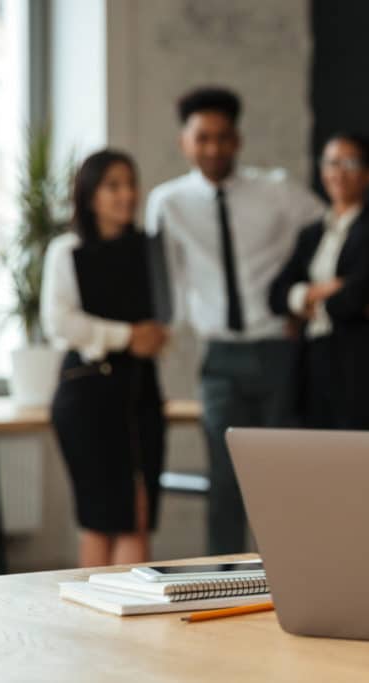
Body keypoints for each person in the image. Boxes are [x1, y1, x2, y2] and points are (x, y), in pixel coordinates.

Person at [145, 87, 325, 554]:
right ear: (185, 141)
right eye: (202, 138)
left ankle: (292, 581)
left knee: (281, 480)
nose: (213, 148)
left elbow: (327, 231)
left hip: (277, 350)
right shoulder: (168, 203)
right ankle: (221, 585)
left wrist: (302, 299)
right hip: (219, 358)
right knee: (223, 484)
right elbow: (162, 279)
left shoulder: (277, 191)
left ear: (238, 141)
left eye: (223, 138)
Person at [42, 150, 169, 567]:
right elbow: (59, 321)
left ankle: (131, 627)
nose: (127, 194)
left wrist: (155, 335)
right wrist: (125, 336)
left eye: (131, 184)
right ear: (90, 194)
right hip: (88, 393)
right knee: (101, 517)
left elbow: (167, 314)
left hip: (140, 390)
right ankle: (91, 627)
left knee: (138, 514)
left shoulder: (148, 249)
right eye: (113, 185)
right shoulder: (68, 249)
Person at [268, 133, 369, 429]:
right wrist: (322, 293)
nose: (338, 172)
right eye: (331, 162)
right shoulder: (310, 234)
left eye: (350, 163)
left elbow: (355, 297)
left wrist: (305, 304)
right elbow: (274, 295)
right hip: (313, 368)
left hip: (363, 372)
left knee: (363, 466)